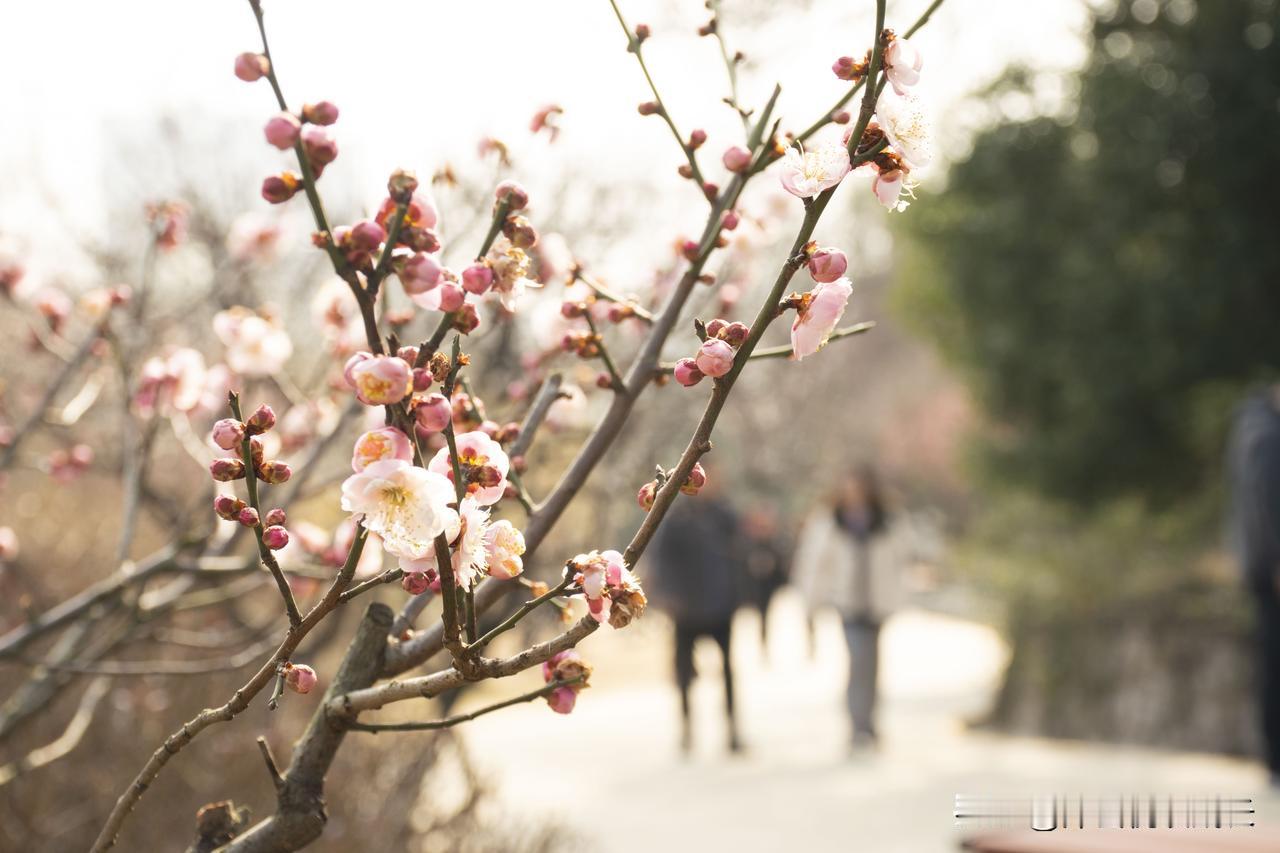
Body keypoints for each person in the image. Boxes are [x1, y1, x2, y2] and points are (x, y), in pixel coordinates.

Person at [793, 465, 904, 749]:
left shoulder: (886, 521)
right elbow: (816, 565)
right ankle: (857, 728)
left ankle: (870, 722)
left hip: (876, 605)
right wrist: (810, 604)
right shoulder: (832, 523)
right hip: (849, 605)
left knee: (873, 667)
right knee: (857, 664)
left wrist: (897, 599)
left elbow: (898, 562)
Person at [648, 477, 744, 754]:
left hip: (720, 605)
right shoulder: (676, 518)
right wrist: (670, 597)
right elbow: (662, 559)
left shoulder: (724, 515)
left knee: (727, 670)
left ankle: (733, 729)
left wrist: (737, 595)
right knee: (684, 673)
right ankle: (687, 729)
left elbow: (739, 555)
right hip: (687, 608)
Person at [1227, 388, 1280, 786]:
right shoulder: (1265, 433)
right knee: (1273, 665)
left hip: (1262, 566)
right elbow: (1266, 503)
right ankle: (1276, 762)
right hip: (1271, 570)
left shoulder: (1253, 426)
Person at [740, 506, 791, 659]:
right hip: (754, 586)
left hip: (768, 586)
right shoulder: (750, 540)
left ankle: (763, 643)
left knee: (764, 616)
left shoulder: (774, 541)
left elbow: (781, 563)